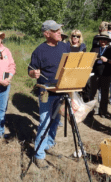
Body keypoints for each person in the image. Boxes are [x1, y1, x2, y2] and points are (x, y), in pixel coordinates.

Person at [28, 20, 70, 169]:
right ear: (47, 34)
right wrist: (34, 73)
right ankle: (39, 155)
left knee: (56, 120)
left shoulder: (65, 47)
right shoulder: (39, 50)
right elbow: (31, 70)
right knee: (45, 122)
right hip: (46, 92)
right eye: (56, 30)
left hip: (62, 91)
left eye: (59, 29)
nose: (59, 32)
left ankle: (49, 144)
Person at [90, 32, 111, 117]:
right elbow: (88, 61)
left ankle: (103, 112)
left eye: (105, 40)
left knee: (105, 94)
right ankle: (92, 110)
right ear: (99, 40)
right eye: (101, 39)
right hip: (95, 74)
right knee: (93, 93)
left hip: (106, 74)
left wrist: (107, 60)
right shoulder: (95, 48)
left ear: (107, 41)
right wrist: (92, 59)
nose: (103, 41)